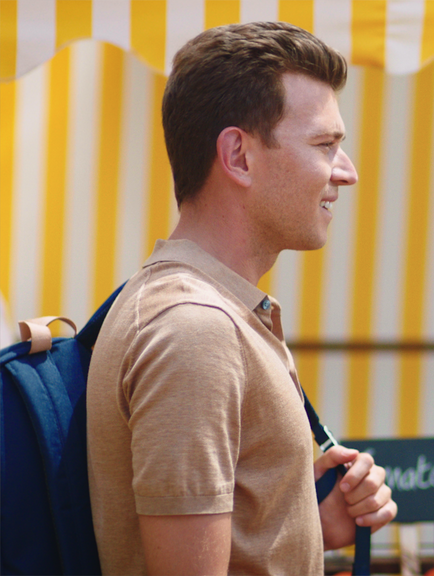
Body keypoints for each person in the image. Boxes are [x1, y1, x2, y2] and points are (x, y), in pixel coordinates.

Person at [87, 22, 396, 575]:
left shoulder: (200, 312)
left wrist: (302, 521)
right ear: (239, 156)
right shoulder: (195, 331)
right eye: (325, 145)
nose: (347, 172)